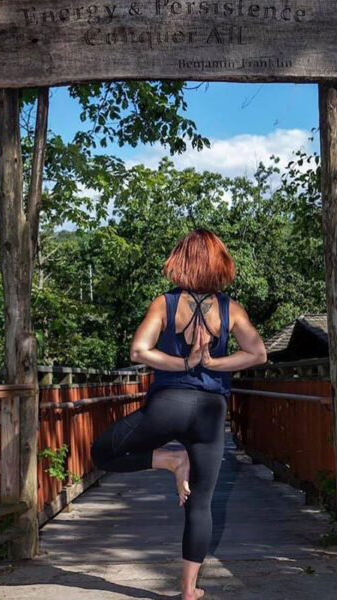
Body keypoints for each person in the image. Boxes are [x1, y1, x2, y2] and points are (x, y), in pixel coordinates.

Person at [90, 228, 267, 600]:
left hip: (169, 404)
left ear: (181, 260)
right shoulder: (230, 309)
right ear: (220, 263)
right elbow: (257, 354)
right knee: (201, 502)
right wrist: (213, 362)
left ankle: (169, 459)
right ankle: (189, 591)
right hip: (211, 412)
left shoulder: (165, 304)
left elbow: (139, 351)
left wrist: (182, 363)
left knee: (102, 452)